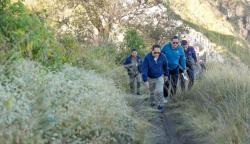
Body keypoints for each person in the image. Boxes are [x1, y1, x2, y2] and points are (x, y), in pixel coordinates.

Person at [142, 44, 169, 112]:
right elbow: (144, 69)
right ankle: (152, 101)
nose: (157, 54)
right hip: (150, 77)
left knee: (159, 91)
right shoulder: (147, 58)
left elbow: (166, 66)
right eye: (155, 52)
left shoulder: (162, 56)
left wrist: (166, 75)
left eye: (158, 52)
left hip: (159, 77)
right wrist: (145, 80)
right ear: (152, 51)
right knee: (152, 91)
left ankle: (160, 105)